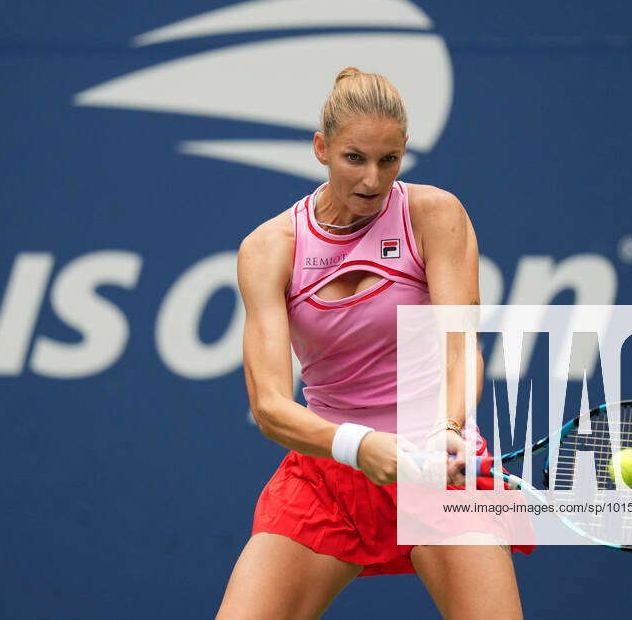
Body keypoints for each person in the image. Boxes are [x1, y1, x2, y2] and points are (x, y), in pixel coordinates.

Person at [216, 67, 528, 619]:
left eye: (389, 160)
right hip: (330, 473)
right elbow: (269, 408)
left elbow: (461, 347)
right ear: (321, 148)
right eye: (354, 158)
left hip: (438, 458)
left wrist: (449, 429)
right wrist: (359, 447)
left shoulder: (435, 215)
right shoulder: (270, 249)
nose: (372, 179)